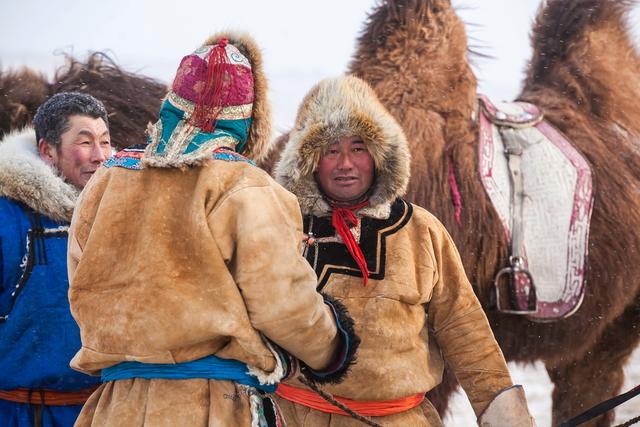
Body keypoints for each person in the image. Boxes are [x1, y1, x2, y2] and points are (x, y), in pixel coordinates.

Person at [67, 33, 359, 427]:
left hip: (116, 405)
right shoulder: (244, 186)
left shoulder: (107, 179)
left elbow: (80, 283)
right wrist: (333, 348)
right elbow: (282, 303)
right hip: (214, 406)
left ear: (172, 101)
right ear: (247, 118)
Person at [273, 75, 536, 426]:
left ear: (381, 154)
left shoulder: (420, 232)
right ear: (308, 160)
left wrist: (507, 417)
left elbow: (465, 329)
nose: (345, 163)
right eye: (330, 150)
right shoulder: (279, 227)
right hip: (294, 417)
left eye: (359, 147)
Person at [0, 92, 112, 426]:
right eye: (85, 142)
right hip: (21, 414)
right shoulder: (9, 219)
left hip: (107, 412)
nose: (99, 156)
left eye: (105, 142)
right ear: (48, 151)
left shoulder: (119, 219)